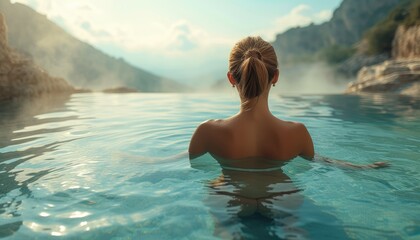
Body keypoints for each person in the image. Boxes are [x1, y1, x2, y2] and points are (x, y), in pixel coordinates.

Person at [188, 36, 388, 169]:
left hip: (230, 196)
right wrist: (362, 167)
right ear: (275, 77)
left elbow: (184, 159)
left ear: (231, 79)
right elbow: (323, 161)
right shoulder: (296, 133)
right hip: (281, 195)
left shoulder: (208, 132)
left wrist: (157, 162)